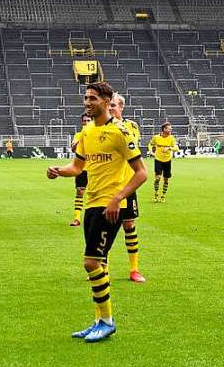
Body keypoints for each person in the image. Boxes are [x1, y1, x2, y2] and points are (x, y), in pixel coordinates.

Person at [47, 82, 147, 342]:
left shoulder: (121, 132)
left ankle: (107, 321)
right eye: (85, 98)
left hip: (110, 206)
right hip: (92, 204)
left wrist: (118, 198)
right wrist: (59, 170)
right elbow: (78, 167)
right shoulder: (87, 132)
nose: (87, 102)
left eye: (92, 98)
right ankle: (98, 320)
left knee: (90, 262)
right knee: (99, 263)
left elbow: (141, 173)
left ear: (106, 101)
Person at [108, 94, 145, 283]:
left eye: (113, 105)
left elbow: (130, 148)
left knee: (129, 225)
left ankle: (134, 269)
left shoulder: (130, 127)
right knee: (104, 228)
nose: (110, 108)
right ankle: (100, 267)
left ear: (121, 107)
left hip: (127, 184)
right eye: (108, 105)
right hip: (107, 185)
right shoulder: (99, 126)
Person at [69, 113, 93, 226]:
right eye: (84, 121)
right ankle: (77, 218)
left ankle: (95, 218)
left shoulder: (97, 133)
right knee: (80, 191)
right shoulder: (78, 135)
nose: (86, 122)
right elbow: (73, 148)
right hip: (82, 168)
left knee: (97, 193)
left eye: (88, 120)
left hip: (96, 168)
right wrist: (81, 139)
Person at [148, 121, 177, 203]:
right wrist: (151, 151)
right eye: (169, 128)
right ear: (164, 129)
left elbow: (176, 147)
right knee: (157, 178)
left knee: (166, 179)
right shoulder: (156, 137)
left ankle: (163, 195)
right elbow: (150, 144)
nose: (171, 129)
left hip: (167, 160)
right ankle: (156, 194)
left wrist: (169, 148)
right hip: (158, 159)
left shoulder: (171, 138)